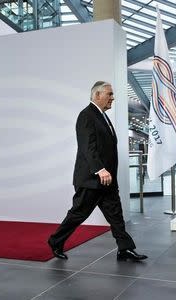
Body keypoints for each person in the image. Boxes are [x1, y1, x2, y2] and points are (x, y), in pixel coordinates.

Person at [47, 81, 147, 261]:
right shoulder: (86, 115)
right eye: (109, 94)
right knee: (79, 214)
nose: (112, 98)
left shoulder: (102, 116)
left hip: (107, 180)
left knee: (115, 215)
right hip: (91, 179)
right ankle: (55, 241)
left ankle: (125, 248)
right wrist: (100, 169)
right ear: (97, 95)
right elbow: (88, 147)